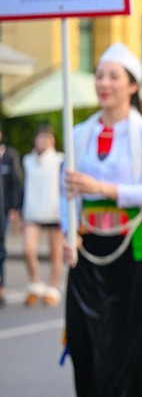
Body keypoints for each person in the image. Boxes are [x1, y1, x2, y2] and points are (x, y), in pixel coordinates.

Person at [62, 43, 142, 397]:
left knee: (126, 340)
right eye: (100, 75)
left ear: (132, 85)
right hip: (88, 247)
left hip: (132, 246)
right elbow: (67, 188)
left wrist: (101, 188)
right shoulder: (79, 132)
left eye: (114, 76)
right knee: (85, 338)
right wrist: (69, 230)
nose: (104, 83)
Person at [22, 123, 65, 307]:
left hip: (54, 212)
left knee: (55, 253)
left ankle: (52, 288)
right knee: (28, 249)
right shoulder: (28, 161)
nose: (43, 142)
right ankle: (36, 284)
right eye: (41, 138)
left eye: (47, 138)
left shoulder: (59, 160)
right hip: (32, 211)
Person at [0, 123, 22, 308]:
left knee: (0, 248)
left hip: (4, 210)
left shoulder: (9, 156)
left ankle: (1, 287)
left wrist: (14, 208)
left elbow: (16, 182)